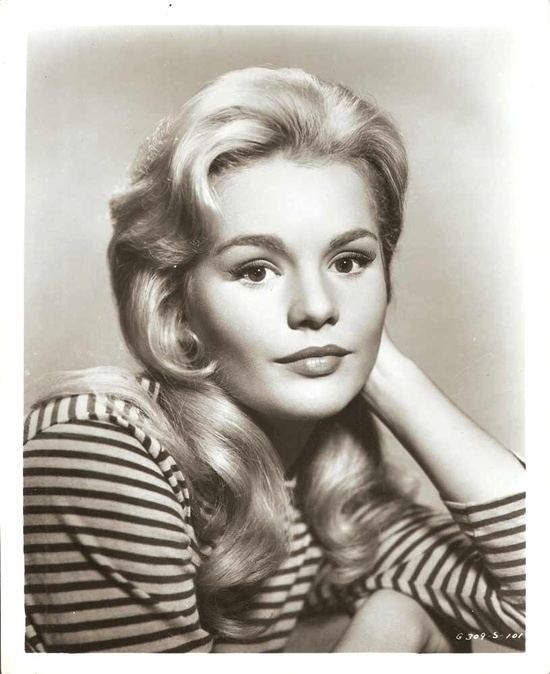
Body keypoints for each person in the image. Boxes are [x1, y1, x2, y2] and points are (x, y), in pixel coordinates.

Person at [23, 66, 525, 653]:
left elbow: (524, 620)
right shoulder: (97, 449)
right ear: (175, 303)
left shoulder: (323, 490)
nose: (316, 307)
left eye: (349, 261)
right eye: (255, 269)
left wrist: (386, 371)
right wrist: (394, 629)